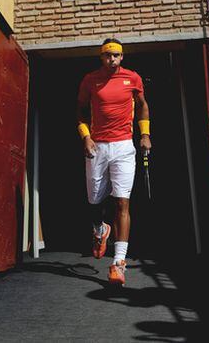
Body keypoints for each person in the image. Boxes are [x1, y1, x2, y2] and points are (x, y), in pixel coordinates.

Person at [77, 38, 151, 286]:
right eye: (108, 56)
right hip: (97, 146)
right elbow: (80, 111)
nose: (112, 60)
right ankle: (100, 229)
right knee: (94, 200)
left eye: (116, 55)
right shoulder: (90, 80)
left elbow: (142, 106)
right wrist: (85, 137)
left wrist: (145, 134)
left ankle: (119, 263)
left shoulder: (133, 78)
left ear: (122, 57)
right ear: (102, 57)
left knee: (122, 202)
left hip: (123, 147)